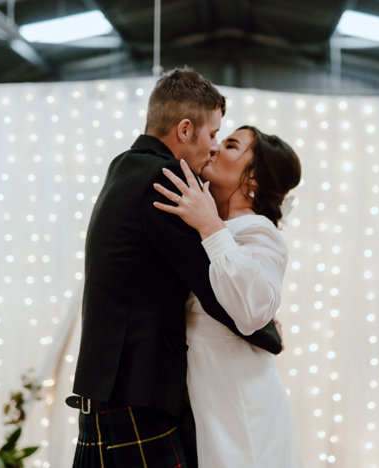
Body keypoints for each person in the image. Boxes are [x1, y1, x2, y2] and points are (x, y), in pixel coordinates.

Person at [67, 68, 283, 467]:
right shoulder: (164, 179)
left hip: (109, 390)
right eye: (213, 134)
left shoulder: (125, 167)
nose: (214, 146)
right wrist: (269, 332)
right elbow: (212, 287)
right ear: (185, 130)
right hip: (138, 390)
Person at [152, 125, 303, 467]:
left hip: (240, 407)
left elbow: (252, 311)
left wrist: (210, 227)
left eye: (231, 145)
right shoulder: (205, 225)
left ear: (254, 180)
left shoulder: (258, 230)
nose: (216, 148)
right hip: (208, 402)